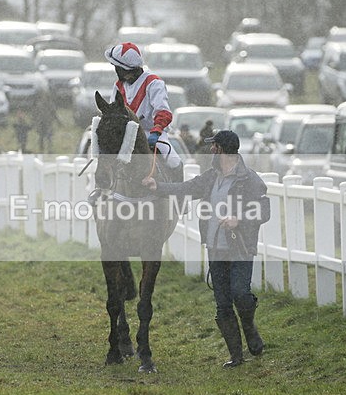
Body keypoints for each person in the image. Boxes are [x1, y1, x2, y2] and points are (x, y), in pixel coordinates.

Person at [143, 130, 268, 368]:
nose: (210, 150)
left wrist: (238, 219)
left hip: (239, 248)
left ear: (222, 150)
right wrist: (157, 187)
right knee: (222, 303)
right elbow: (185, 188)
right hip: (215, 248)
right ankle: (236, 355)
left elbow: (264, 210)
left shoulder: (249, 180)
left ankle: (250, 331)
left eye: (214, 146)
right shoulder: (211, 178)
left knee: (240, 294)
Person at [104, 42, 182, 176]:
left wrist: (156, 131)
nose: (115, 70)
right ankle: (103, 189)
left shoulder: (154, 83)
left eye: (117, 67)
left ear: (126, 69)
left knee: (174, 162)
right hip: (126, 135)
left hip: (152, 134)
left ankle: (176, 195)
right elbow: (112, 112)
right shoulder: (118, 86)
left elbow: (163, 112)